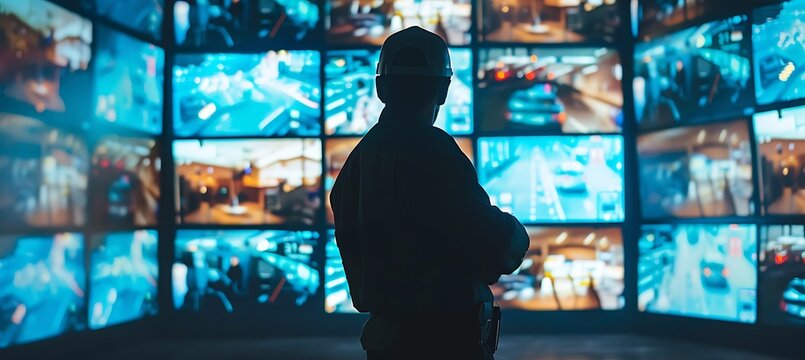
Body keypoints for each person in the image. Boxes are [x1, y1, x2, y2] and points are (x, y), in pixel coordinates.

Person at [330, 26, 530, 360]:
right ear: (443, 90)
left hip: (386, 343)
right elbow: (494, 244)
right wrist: (515, 235)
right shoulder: (434, 151)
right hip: (445, 341)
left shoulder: (357, 162)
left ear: (380, 87)